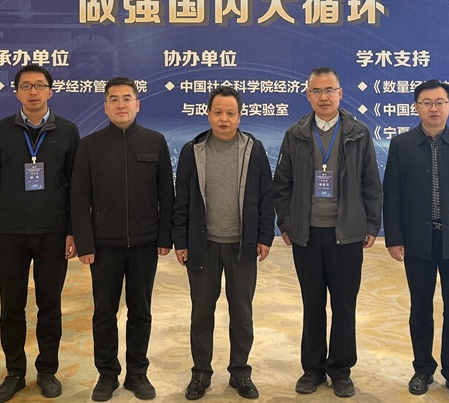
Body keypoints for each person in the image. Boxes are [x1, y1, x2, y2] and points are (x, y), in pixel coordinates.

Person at [273, 67, 383, 398]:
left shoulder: (359, 133)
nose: (324, 97)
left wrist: (371, 224)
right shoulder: (295, 134)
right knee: (313, 304)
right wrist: (286, 223)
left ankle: (341, 371)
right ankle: (313, 370)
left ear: (340, 93)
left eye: (329, 90)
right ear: (308, 96)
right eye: (317, 91)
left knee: (344, 305)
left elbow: (371, 183)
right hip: (307, 235)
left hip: (346, 234)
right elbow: (282, 184)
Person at [381, 79, 449, 402]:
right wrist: (394, 237)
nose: (433, 108)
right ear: (416, 107)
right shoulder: (401, 145)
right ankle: (423, 369)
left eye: (440, 102)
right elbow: (392, 195)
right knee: (420, 307)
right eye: (426, 102)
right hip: (417, 241)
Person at [0, 65, 80, 403]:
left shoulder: (68, 131)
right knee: (11, 307)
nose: (33, 92)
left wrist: (72, 231)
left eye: (39, 85)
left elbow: (76, 188)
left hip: (53, 233)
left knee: (50, 305)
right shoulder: (0, 131)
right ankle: (15, 373)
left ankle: (47, 370)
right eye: (26, 86)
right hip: (9, 233)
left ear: (51, 90)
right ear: (17, 92)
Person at [71, 77, 175, 402]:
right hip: (104, 246)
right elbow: (79, 197)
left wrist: (165, 236)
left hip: (145, 244)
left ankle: (137, 373)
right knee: (104, 313)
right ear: (105, 106)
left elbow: (166, 194)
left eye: (127, 98)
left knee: (140, 311)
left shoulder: (155, 141)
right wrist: (86, 244)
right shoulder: (90, 145)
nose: (120, 104)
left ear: (137, 104)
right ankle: (107, 374)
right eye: (113, 99)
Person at [173, 86, 274, 400]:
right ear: (208, 115)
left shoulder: (253, 149)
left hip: (242, 246)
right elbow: (182, 199)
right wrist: (180, 240)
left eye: (230, 113)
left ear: (240, 116)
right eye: (218, 112)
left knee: (242, 314)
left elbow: (266, 195)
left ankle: (240, 372)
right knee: (202, 313)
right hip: (203, 246)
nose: (224, 119)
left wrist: (264, 236)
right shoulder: (193, 150)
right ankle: (201, 373)